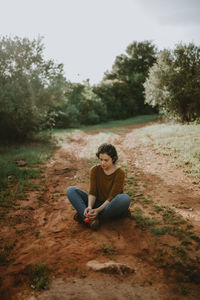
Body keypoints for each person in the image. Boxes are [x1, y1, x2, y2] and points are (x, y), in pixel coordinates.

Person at [66, 143, 130, 230]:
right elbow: (93, 192)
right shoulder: (94, 170)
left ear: (113, 158)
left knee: (124, 198)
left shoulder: (120, 173)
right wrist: (89, 207)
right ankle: (92, 219)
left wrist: (97, 211)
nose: (102, 163)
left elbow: (112, 197)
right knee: (71, 190)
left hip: (110, 205)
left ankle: (87, 218)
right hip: (96, 203)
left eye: (106, 160)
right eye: (101, 159)